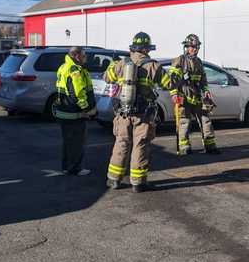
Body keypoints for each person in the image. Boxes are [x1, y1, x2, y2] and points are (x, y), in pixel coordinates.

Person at [104, 32, 173, 193]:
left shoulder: (121, 63)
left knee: (121, 143)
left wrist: (111, 65)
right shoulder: (152, 65)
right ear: (147, 49)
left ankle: (113, 179)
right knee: (140, 145)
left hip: (123, 113)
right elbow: (169, 83)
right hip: (143, 114)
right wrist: (175, 73)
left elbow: (107, 78)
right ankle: (138, 182)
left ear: (133, 47)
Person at [167, 34, 219, 155]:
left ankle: (210, 146)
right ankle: (184, 147)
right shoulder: (179, 61)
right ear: (187, 47)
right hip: (183, 96)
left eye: (196, 47)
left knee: (205, 120)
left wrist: (206, 91)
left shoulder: (198, 62)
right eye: (193, 47)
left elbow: (203, 79)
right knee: (184, 121)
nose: (195, 49)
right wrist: (174, 93)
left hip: (197, 96)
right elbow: (172, 79)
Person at [53, 46, 96, 176]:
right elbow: (77, 93)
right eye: (83, 55)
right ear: (77, 56)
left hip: (64, 111)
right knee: (77, 143)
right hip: (74, 113)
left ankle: (67, 167)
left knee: (68, 143)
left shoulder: (63, 67)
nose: (85, 58)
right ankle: (75, 168)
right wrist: (87, 109)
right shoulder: (74, 70)